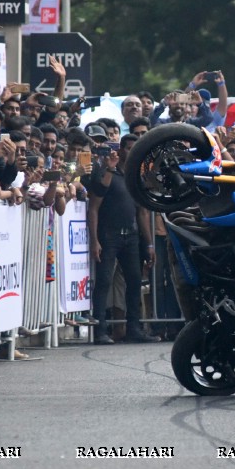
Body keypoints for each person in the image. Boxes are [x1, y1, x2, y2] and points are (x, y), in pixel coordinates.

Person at [86, 134, 160, 344]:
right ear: (120, 150)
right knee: (104, 281)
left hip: (132, 236)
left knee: (135, 282)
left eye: (135, 148)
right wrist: (94, 240)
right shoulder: (107, 172)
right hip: (109, 235)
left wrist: (149, 243)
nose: (132, 152)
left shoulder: (136, 178)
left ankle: (134, 328)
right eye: (128, 148)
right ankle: (100, 330)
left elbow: (143, 212)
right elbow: (93, 208)